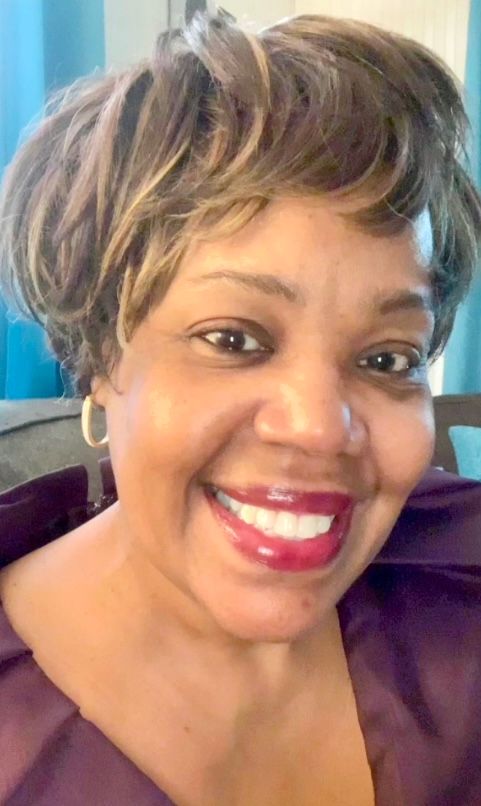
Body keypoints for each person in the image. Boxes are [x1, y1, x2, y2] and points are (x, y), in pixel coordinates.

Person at [1, 9, 481, 805]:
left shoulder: (456, 588)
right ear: (97, 358)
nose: (321, 425)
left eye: (385, 359)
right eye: (233, 339)